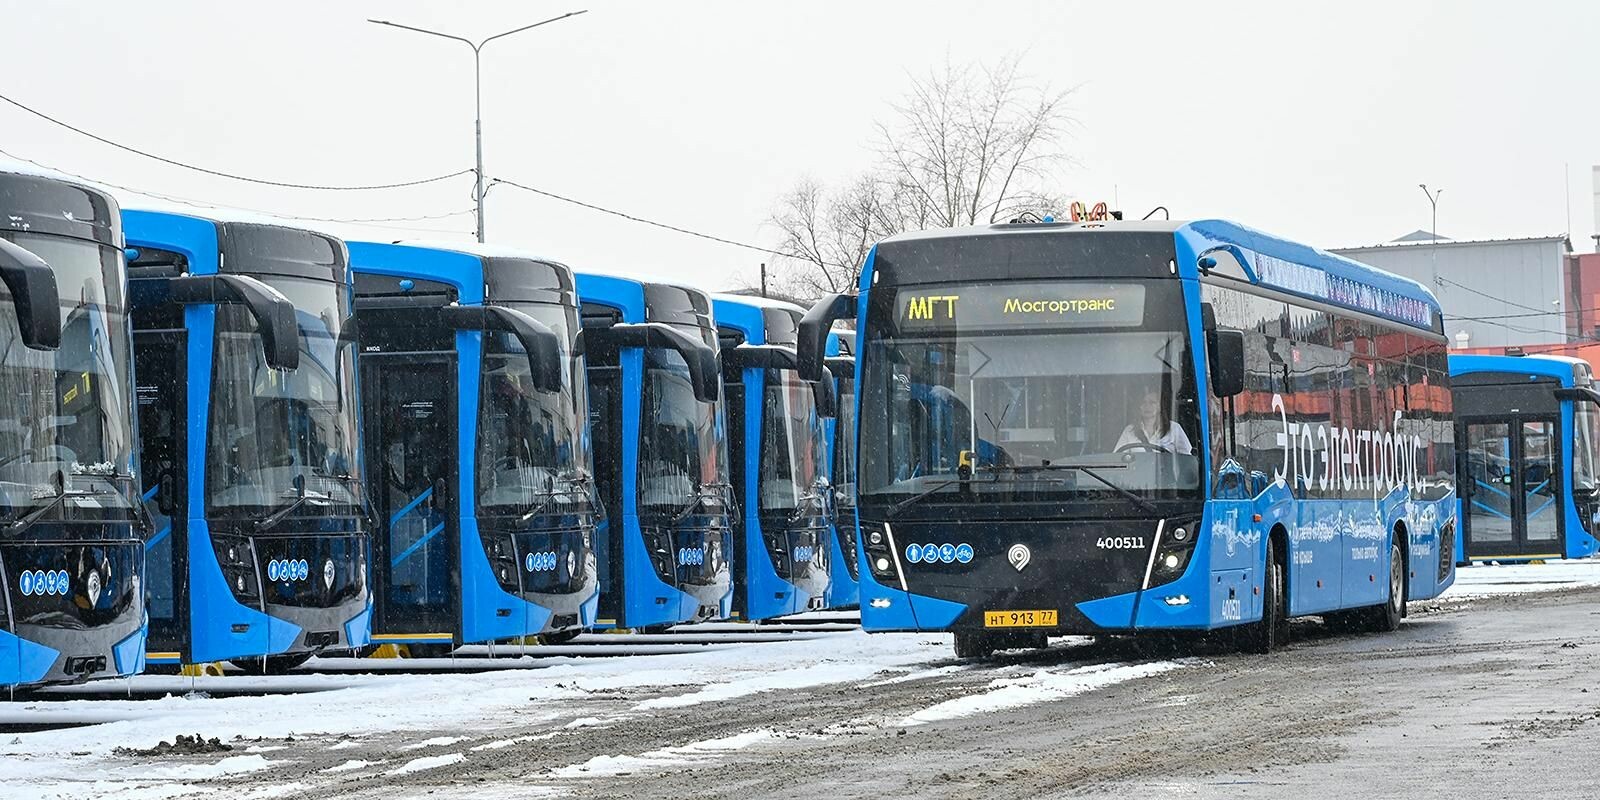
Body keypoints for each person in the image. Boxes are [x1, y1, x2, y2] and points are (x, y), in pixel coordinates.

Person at [1115, 388, 1193, 455]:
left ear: (1159, 406)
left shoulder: (1174, 428)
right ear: (1139, 407)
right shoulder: (1129, 431)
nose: (1147, 406)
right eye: (1143, 402)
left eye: (1152, 402)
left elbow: (1186, 458)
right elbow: (1118, 457)